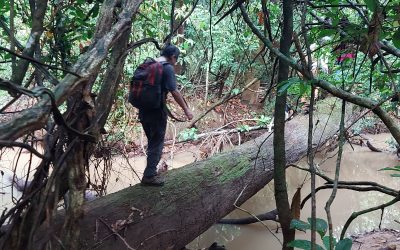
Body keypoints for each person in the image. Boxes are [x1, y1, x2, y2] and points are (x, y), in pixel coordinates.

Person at [139, 45, 193, 186]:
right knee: (157, 143)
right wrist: (187, 110)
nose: (176, 62)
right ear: (173, 57)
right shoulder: (167, 67)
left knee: (152, 141)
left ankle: (150, 172)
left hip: (143, 111)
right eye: (177, 59)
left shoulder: (148, 64)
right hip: (156, 112)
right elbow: (174, 91)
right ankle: (149, 176)